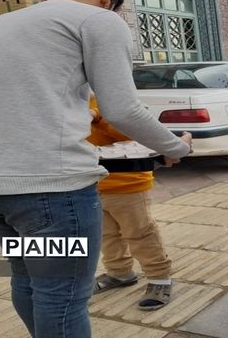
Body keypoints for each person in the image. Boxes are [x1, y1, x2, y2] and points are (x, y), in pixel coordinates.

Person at [0, 0, 192, 338]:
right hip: (52, 193)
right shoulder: (100, 20)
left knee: (28, 280)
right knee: (61, 295)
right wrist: (175, 146)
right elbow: (123, 108)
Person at [88, 97, 180, 310]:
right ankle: (119, 273)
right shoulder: (69, 99)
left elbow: (136, 135)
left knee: (140, 232)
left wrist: (98, 116)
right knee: (106, 234)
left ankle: (160, 278)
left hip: (127, 182)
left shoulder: (111, 97)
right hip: (90, 182)